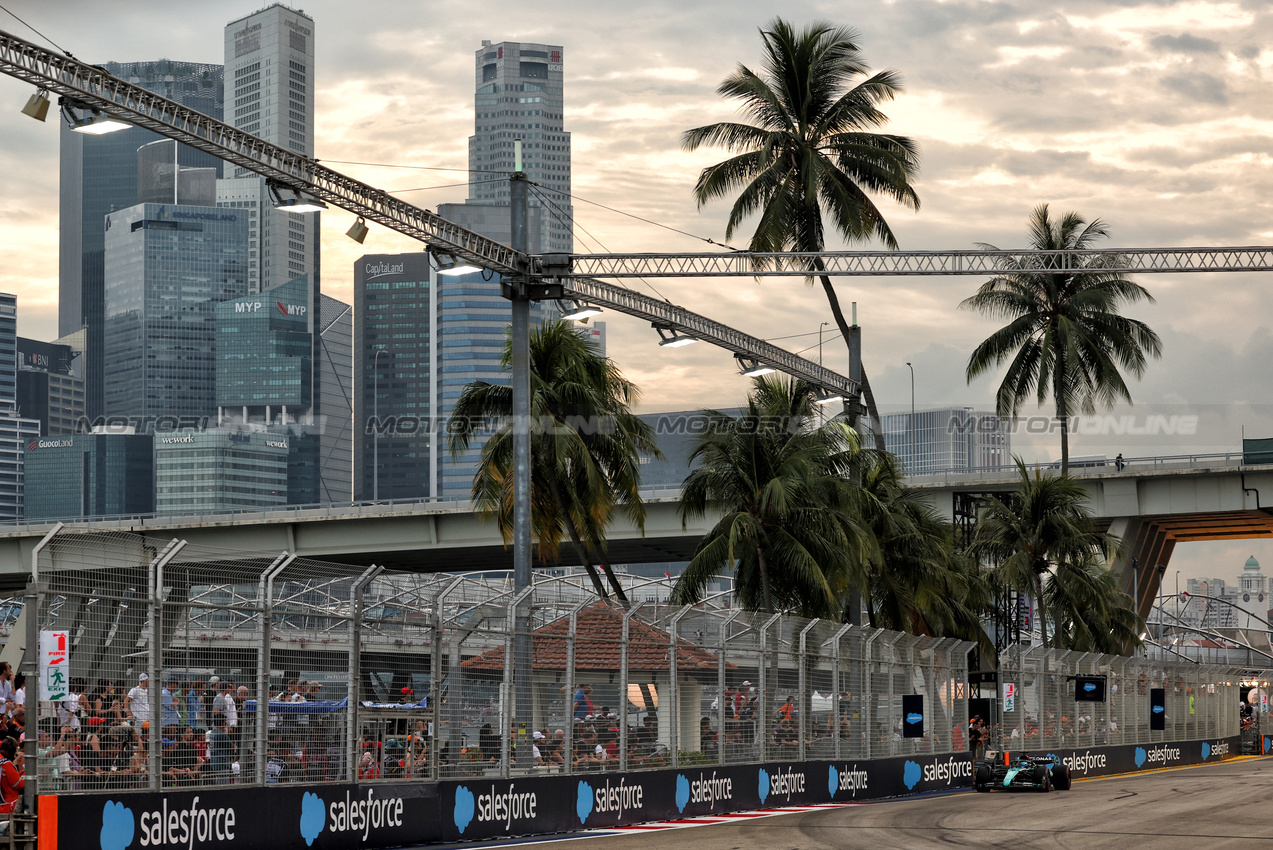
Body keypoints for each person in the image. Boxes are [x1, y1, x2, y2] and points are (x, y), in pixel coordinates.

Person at [0, 738, 23, 814]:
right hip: (8, 804)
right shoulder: (6, 764)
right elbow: (17, 784)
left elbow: (8, 777)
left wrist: (20, 773)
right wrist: (26, 775)